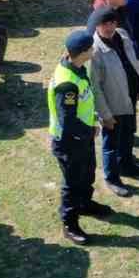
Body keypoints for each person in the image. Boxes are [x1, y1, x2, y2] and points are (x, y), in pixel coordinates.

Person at [48, 29, 114, 245]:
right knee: (72, 183)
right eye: (91, 48)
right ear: (83, 52)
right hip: (69, 141)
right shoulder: (66, 83)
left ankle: (85, 205)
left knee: (87, 174)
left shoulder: (76, 67)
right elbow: (67, 122)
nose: (94, 50)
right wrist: (90, 130)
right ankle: (70, 224)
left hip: (82, 138)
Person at [89, 8, 139, 199]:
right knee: (111, 144)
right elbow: (95, 88)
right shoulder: (94, 51)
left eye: (112, 23)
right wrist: (105, 115)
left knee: (129, 133)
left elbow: (131, 61)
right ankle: (112, 178)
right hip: (112, 106)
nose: (109, 27)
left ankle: (127, 165)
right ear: (97, 25)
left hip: (129, 98)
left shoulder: (122, 35)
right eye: (104, 24)